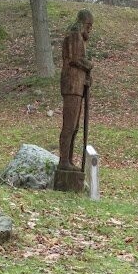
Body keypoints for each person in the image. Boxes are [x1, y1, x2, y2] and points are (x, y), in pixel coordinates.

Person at [58, 9, 94, 169]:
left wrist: (86, 78)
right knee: (69, 125)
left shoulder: (79, 37)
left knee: (75, 127)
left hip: (78, 86)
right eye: (88, 25)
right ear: (83, 23)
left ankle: (69, 160)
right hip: (71, 85)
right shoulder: (74, 34)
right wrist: (88, 65)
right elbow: (74, 59)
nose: (89, 30)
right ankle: (63, 160)